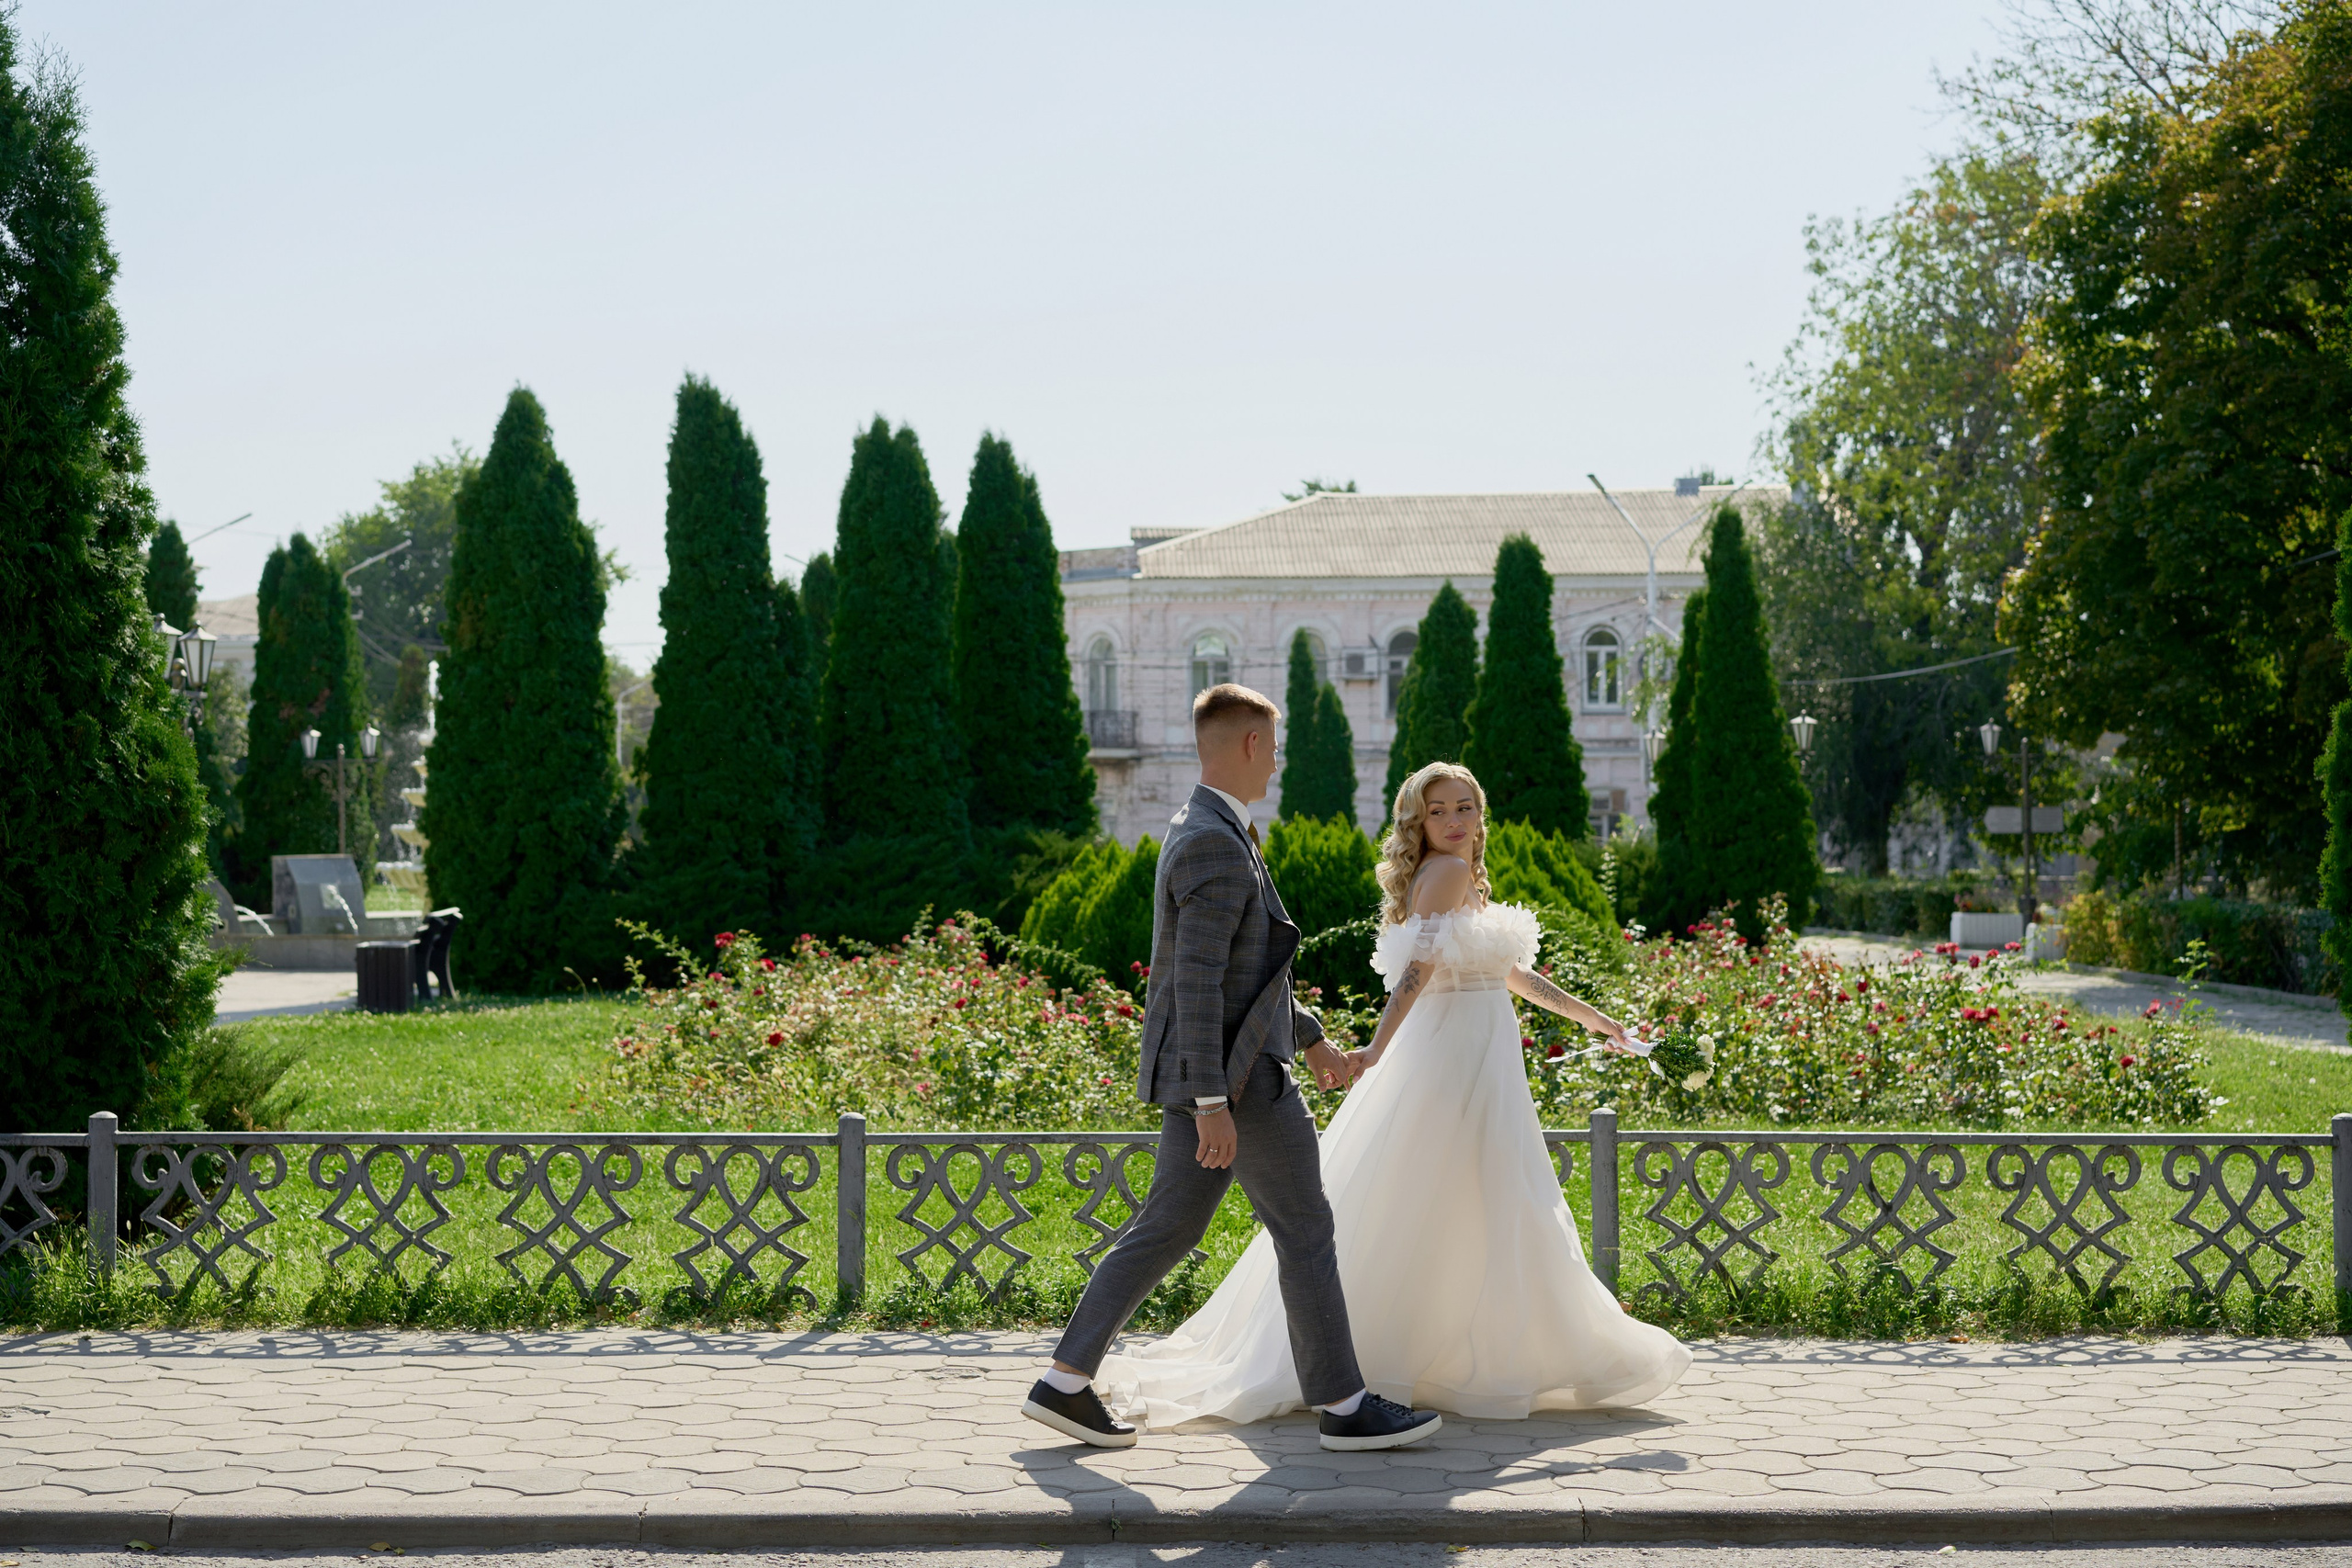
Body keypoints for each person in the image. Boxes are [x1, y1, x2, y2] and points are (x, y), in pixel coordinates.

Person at [1091, 761, 1691, 1427]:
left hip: (1470, 1052)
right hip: (1454, 1058)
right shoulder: (1450, 873)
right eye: (1440, 811)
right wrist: (1375, 1049)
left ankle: (1413, 1354)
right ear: (1418, 820)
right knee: (1471, 1194)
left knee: (1452, 1199)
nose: (1456, 821)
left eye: (1466, 806)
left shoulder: (1457, 875)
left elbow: (1506, 972)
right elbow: (1420, 969)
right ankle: (1405, 1362)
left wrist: (1590, 1017)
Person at [1021, 683, 1443, 1453]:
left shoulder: (1213, 826)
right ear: (1250, 744)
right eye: (1274, 747)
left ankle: (1064, 1381)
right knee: (1306, 1227)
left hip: (1223, 1076)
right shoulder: (1215, 840)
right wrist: (1212, 1099)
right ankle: (1345, 1405)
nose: (1278, 762)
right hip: (1237, 1081)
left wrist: (1309, 1035)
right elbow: (1197, 981)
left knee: (1168, 1228)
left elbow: (1252, 973)